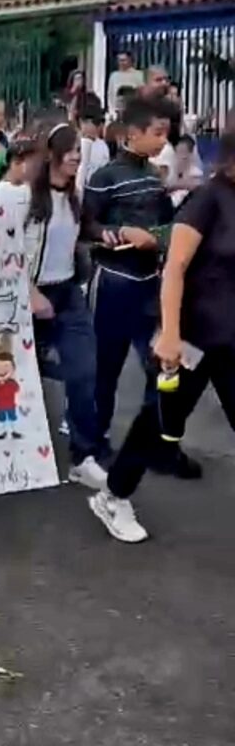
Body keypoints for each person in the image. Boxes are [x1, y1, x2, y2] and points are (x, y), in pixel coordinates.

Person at [90, 131, 235, 542]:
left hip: (230, 338)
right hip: (191, 338)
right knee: (157, 423)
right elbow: (174, 268)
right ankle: (113, 496)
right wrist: (169, 335)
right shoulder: (209, 199)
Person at [82, 95, 199, 480]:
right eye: (157, 133)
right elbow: (87, 227)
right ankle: (94, 445)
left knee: (162, 371)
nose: (164, 141)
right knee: (105, 369)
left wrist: (165, 239)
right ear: (132, 134)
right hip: (114, 282)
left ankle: (161, 445)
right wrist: (120, 234)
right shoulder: (105, 177)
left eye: (166, 133)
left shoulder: (153, 175)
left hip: (151, 285)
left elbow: (168, 228)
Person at [24, 123, 103, 487]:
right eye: (69, 150)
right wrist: (29, 291)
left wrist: (106, 235)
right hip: (29, 296)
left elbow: (84, 231)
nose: (75, 157)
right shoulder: (21, 195)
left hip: (68, 292)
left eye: (79, 152)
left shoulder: (75, 194)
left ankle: (84, 452)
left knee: (85, 368)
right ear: (52, 153)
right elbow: (3, 251)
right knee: (20, 372)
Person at [0, 138, 36, 219]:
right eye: (18, 163)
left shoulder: (41, 189)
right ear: (10, 165)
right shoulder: (4, 188)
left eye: (29, 162)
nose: (24, 167)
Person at [76, 109, 110, 193]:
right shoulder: (74, 143)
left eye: (99, 124)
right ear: (82, 122)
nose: (97, 127)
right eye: (94, 123)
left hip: (97, 189)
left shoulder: (103, 145)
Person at [169, 135, 204, 207]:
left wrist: (175, 186)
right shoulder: (173, 170)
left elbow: (196, 186)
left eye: (183, 152)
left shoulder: (196, 173)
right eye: (177, 152)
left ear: (191, 154)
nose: (179, 157)